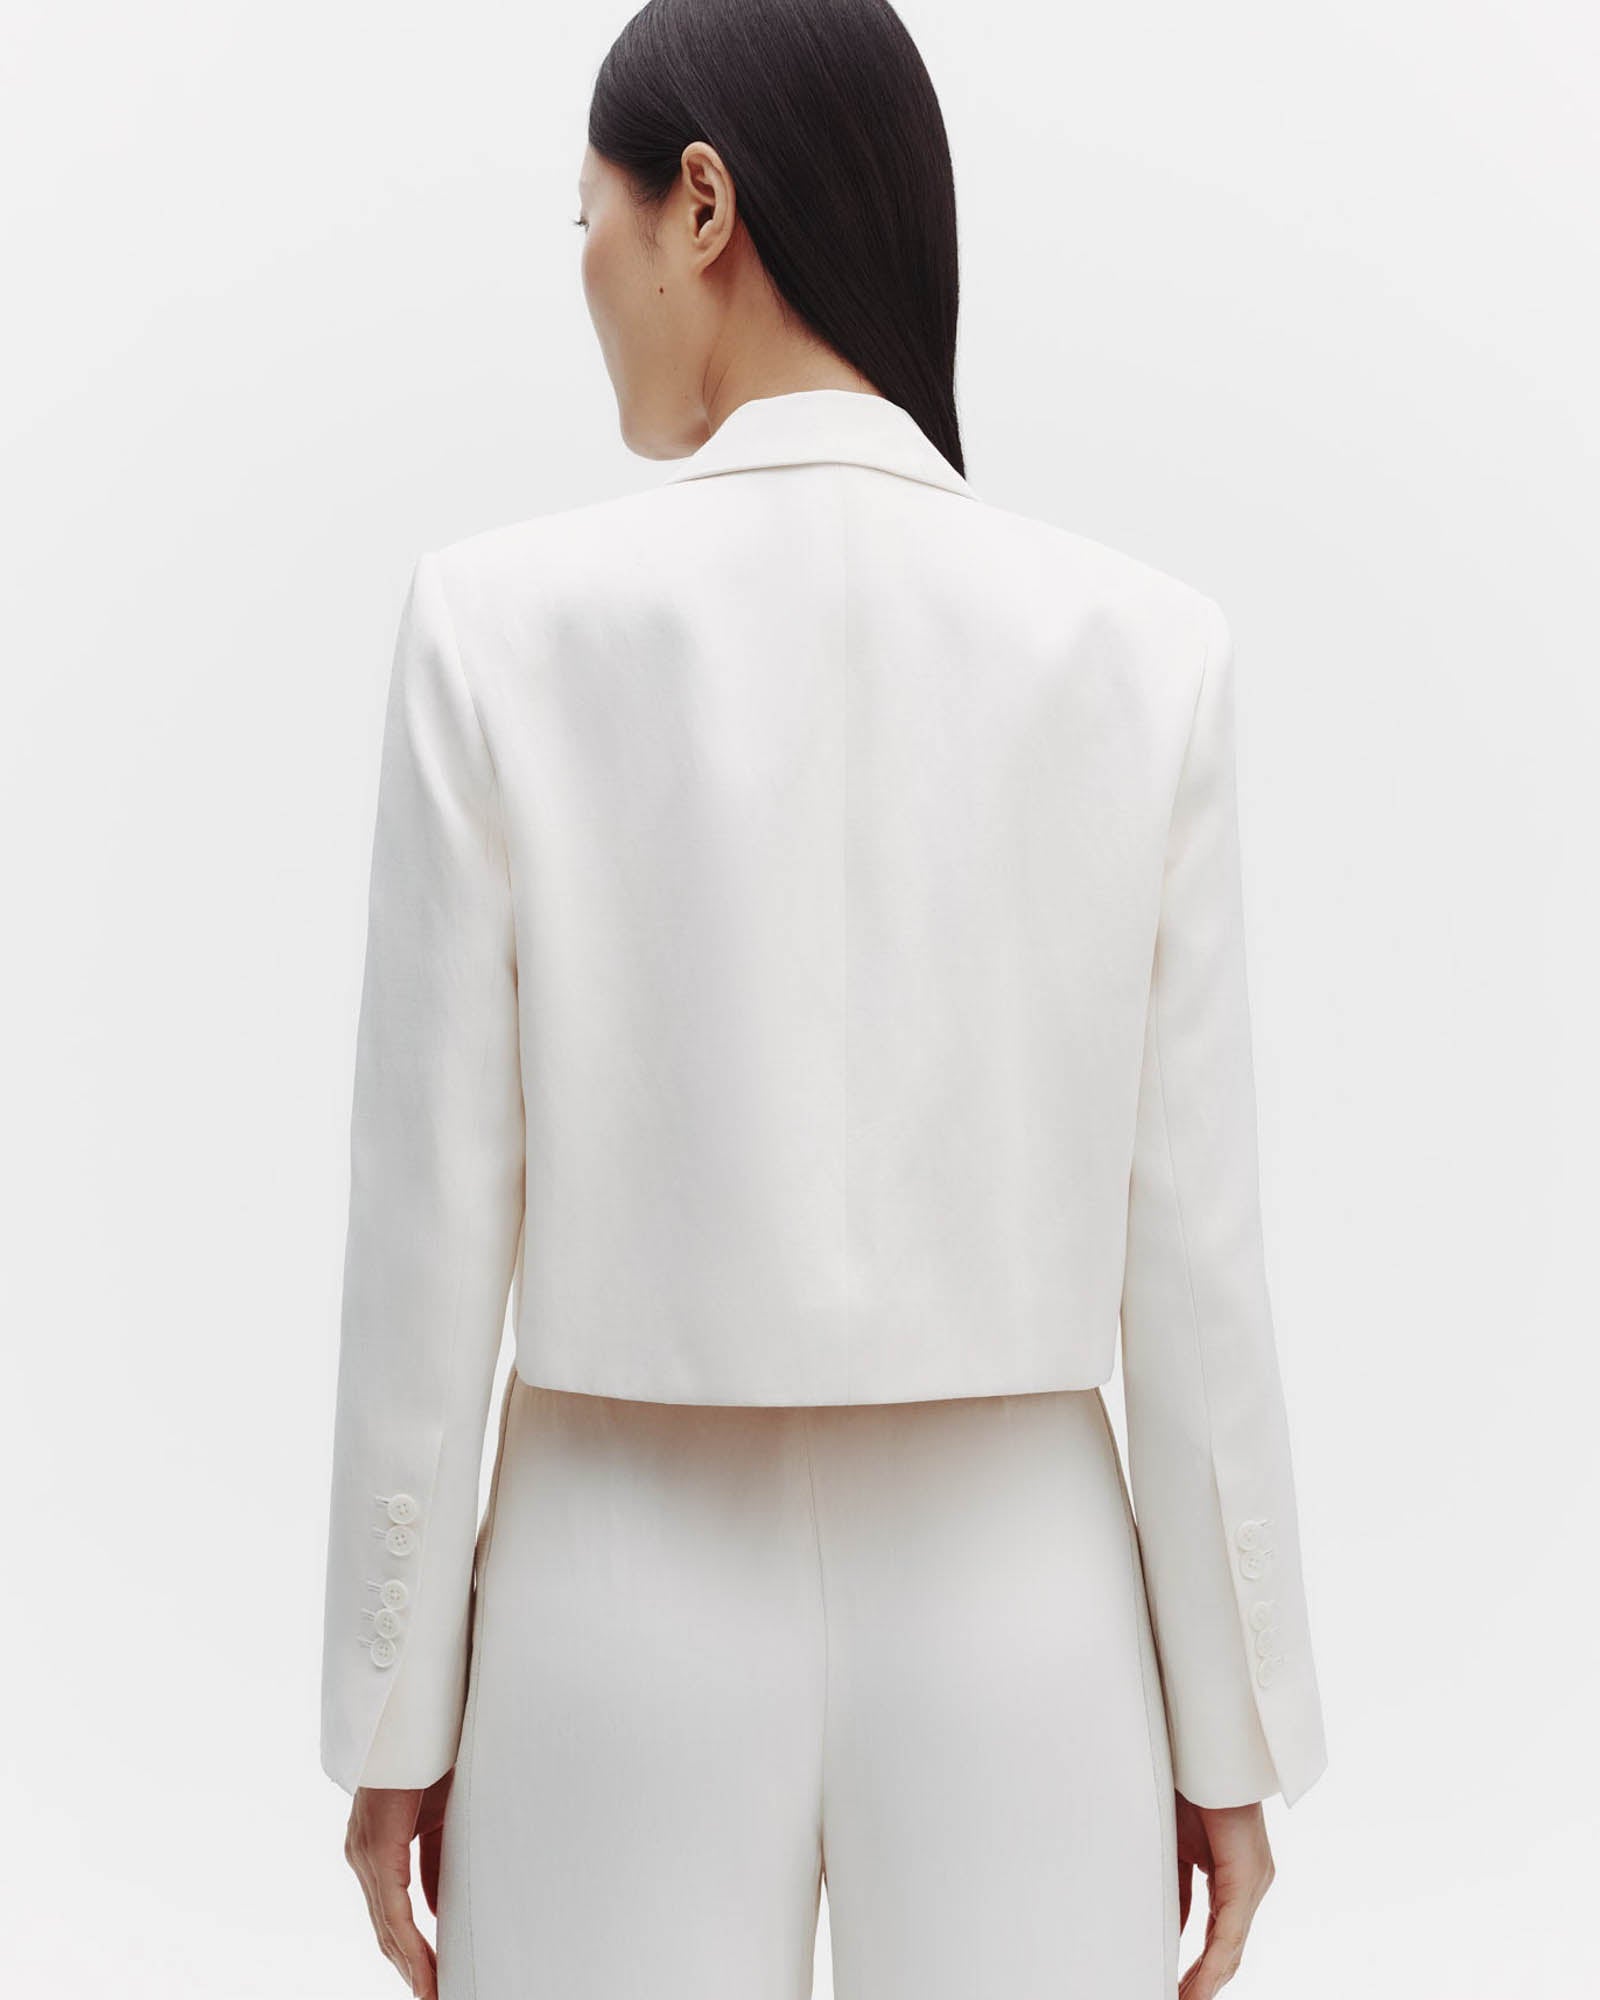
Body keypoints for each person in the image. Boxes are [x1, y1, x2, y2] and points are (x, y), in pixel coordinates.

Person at [320, 1, 1328, 1994]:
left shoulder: (495, 630)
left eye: (589, 216)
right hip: (1022, 1594)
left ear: (701, 206)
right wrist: (1228, 1731)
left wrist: (391, 1707)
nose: (584, 272)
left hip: (611, 1590)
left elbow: (428, 1239)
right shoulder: (1144, 652)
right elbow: (1192, 1261)